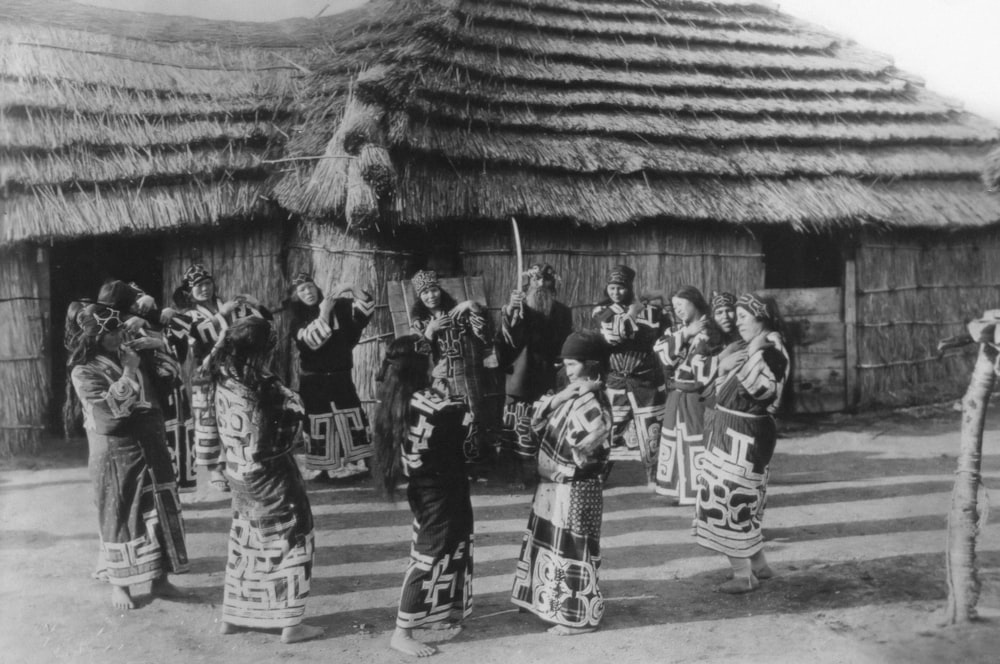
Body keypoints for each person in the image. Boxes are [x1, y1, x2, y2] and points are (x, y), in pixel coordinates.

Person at [209, 317, 323, 644]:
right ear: (264, 348)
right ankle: (291, 623)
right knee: (295, 534)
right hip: (270, 471)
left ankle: (234, 615)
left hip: (238, 470)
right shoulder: (264, 383)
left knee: (248, 537)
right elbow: (293, 418)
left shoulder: (222, 376)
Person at [68, 303, 189, 610]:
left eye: (118, 330)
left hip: (151, 441)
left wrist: (158, 345)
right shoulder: (84, 370)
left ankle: (160, 578)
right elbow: (109, 414)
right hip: (116, 451)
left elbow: (171, 378)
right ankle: (119, 584)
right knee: (121, 513)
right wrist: (130, 369)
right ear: (93, 337)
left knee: (160, 507)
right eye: (107, 333)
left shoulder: (134, 352)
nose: (115, 337)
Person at [371, 335, 474, 657]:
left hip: (424, 485)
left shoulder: (397, 399)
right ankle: (402, 631)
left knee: (451, 543)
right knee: (431, 552)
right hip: (442, 489)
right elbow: (469, 440)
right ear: (423, 364)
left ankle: (438, 611)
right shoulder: (440, 405)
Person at [511, 331, 612, 635]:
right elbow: (533, 420)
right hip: (553, 485)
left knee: (572, 546)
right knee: (550, 544)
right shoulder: (570, 395)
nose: (567, 371)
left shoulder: (593, 401)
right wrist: (562, 397)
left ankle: (576, 617)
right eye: (565, 364)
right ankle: (548, 604)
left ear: (591, 365)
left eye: (573, 365)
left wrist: (576, 400)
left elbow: (592, 441)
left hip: (576, 487)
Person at [693, 293, 790, 594]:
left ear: (761, 318)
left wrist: (750, 354)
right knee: (744, 501)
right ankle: (758, 564)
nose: (737, 321)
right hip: (736, 430)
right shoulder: (757, 346)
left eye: (743, 316)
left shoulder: (770, 349)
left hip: (742, 435)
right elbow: (719, 386)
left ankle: (743, 575)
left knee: (728, 500)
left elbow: (759, 390)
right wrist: (726, 366)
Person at [164, 264, 269, 492]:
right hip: (207, 371)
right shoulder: (188, 314)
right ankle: (215, 469)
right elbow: (199, 334)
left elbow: (260, 327)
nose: (204, 289)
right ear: (189, 291)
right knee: (209, 418)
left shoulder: (230, 307)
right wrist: (221, 316)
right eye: (198, 286)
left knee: (237, 415)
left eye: (207, 284)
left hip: (235, 371)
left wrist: (255, 305)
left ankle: (241, 462)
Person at [99, 279, 197, 493]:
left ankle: (167, 490)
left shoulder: (143, 317)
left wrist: (157, 336)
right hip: (136, 391)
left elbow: (184, 330)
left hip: (159, 391)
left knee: (167, 442)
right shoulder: (107, 326)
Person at [288, 272, 375, 481]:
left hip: (340, 375)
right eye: (302, 290)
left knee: (352, 415)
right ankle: (323, 469)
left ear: (316, 288)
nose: (308, 292)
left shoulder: (341, 307)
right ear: (296, 296)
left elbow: (365, 311)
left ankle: (359, 464)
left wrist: (352, 287)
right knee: (318, 420)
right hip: (313, 379)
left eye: (310, 287)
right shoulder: (297, 320)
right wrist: (324, 313)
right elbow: (311, 342)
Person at [494, 263, 574, 486]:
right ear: (528, 284)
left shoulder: (562, 312)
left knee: (546, 427)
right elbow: (505, 342)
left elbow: (563, 344)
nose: (540, 285)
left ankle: (545, 472)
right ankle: (514, 474)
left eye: (545, 281)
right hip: (520, 377)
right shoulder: (517, 309)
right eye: (535, 281)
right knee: (516, 427)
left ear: (552, 285)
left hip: (548, 377)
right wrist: (511, 312)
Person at [409, 269, 496, 472]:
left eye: (434, 290)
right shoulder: (419, 324)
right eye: (425, 293)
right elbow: (417, 355)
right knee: (445, 420)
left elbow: (484, 335)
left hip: (468, 377)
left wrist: (471, 306)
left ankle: (474, 462)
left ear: (440, 290)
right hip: (442, 380)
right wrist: (430, 332)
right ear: (420, 297)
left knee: (473, 417)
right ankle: (449, 463)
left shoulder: (460, 313)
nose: (431, 296)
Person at [591, 265, 667, 482]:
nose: (616, 293)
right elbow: (615, 336)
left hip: (646, 378)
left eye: (621, 288)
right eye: (612, 288)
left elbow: (661, 335)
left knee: (652, 428)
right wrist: (633, 311)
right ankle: (599, 473)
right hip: (616, 378)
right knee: (611, 427)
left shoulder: (653, 312)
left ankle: (654, 476)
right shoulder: (601, 311)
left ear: (629, 288)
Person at [653, 285, 723, 503]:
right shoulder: (678, 329)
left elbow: (699, 366)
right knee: (675, 441)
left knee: (697, 440)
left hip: (698, 396)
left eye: (681, 305)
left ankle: (697, 490)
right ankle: (677, 490)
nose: (678, 310)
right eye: (675, 307)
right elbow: (663, 358)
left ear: (694, 302)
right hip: (677, 393)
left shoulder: (712, 329)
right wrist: (686, 334)